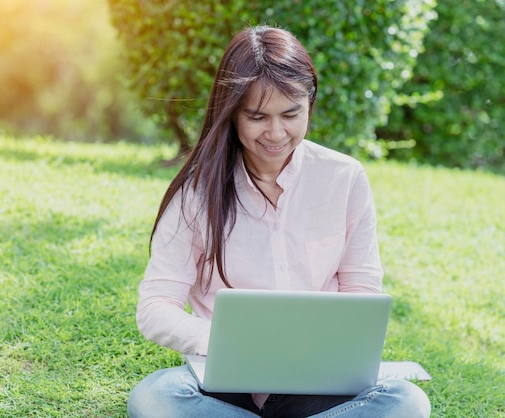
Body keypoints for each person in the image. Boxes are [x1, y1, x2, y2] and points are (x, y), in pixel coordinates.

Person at [127, 25, 431, 418]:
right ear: (232, 113)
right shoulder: (197, 191)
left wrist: (333, 348)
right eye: (257, 117)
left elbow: (361, 291)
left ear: (310, 104)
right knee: (155, 398)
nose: (276, 133)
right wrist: (228, 341)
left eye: (291, 114)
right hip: (226, 382)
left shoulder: (344, 178)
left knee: (406, 402)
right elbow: (154, 307)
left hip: (320, 381)